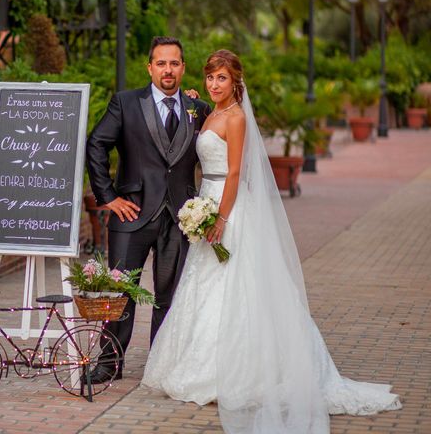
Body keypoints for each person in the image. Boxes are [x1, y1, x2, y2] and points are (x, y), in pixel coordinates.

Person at [142, 49, 401, 433]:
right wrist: (195, 101)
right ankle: (199, 365)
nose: (215, 84)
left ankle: (243, 371)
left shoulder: (237, 118)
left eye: (222, 78)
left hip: (226, 208)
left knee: (241, 288)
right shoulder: (208, 111)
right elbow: (194, 124)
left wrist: (221, 217)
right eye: (211, 77)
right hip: (207, 203)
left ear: (236, 82)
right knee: (204, 286)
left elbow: (232, 174)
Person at [86, 36, 210, 383]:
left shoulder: (198, 110)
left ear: (183, 68)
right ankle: (110, 361)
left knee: (169, 296)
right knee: (120, 291)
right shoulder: (125, 103)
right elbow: (97, 143)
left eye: (174, 63)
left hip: (181, 217)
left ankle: (161, 363)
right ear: (150, 67)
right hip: (132, 214)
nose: (167, 70)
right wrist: (108, 195)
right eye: (161, 63)